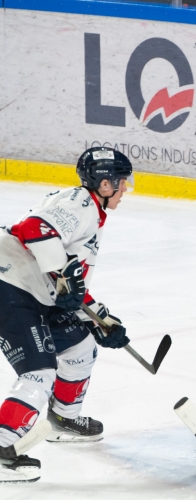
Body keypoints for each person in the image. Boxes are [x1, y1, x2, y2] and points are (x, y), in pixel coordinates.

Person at [0, 147, 132, 482]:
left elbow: (71, 285)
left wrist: (101, 320)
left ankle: (63, 418)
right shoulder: (81, 203)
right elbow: (33, 229)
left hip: (35, 289)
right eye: (122, 182)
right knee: (38, 374)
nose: (126, 188)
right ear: (105, 184)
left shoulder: (88, 211)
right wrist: (62, 276)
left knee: (79, 348)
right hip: (11, 285)